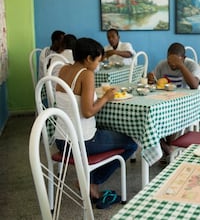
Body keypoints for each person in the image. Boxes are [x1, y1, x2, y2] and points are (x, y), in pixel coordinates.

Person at [54, 37, 138, 207]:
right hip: (84, 141)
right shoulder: (87, 74)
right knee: (132, 144)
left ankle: (89, 181)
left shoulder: (63, 69)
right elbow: (88, 112)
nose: (98, 65)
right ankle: (92, 182)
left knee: (107, 132)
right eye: (97, 61)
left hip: (62, 140)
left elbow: (75, 101)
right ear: (88, 59)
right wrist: (106, 97)